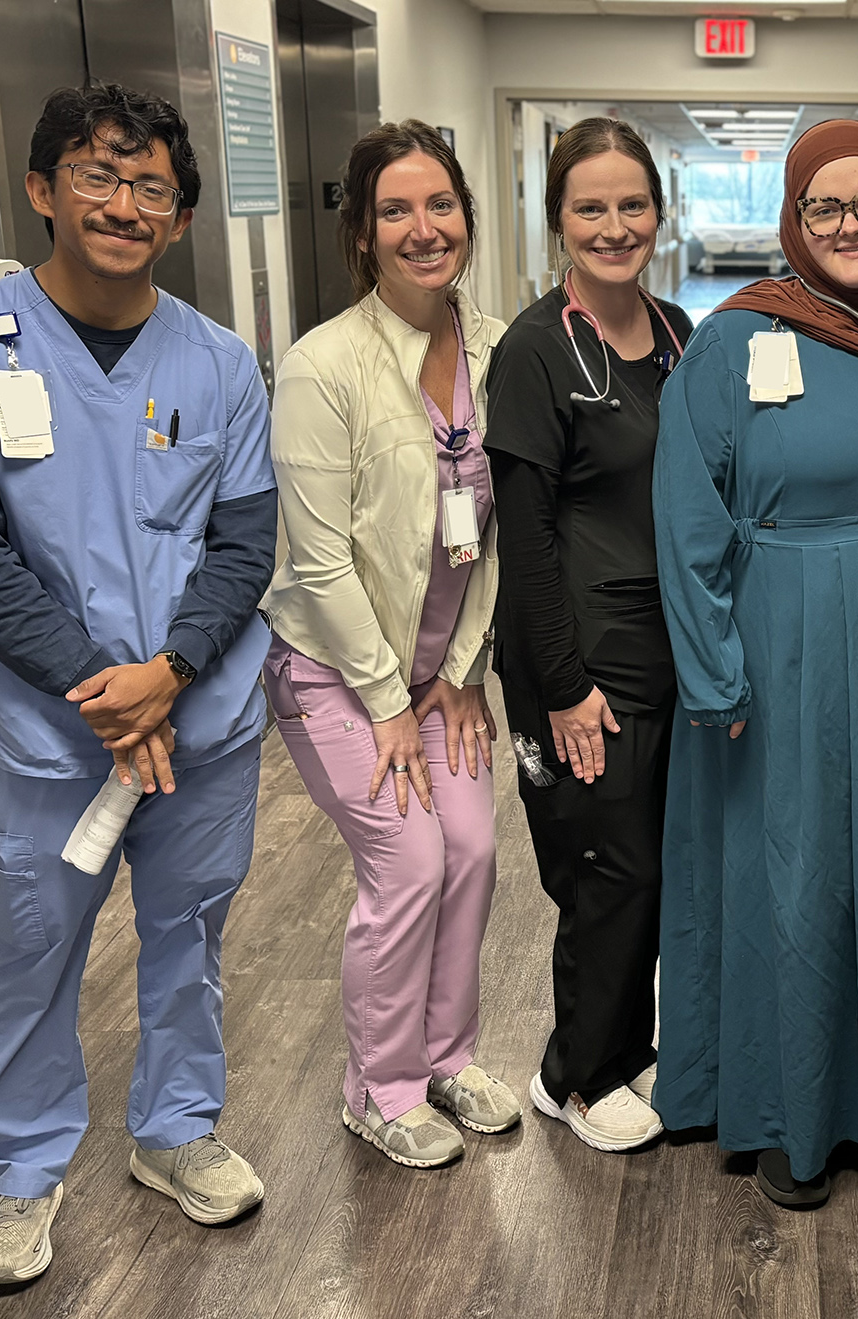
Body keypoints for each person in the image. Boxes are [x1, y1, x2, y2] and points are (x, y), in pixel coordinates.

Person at [0, 84, 274, 1286]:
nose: (123, 203)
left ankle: (176, 1131)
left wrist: (167, 674)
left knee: (189, 934)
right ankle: (21, 1167)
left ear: (181, 211)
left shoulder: (217, 362)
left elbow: (245, 542)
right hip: (48, 731)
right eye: (96, 177)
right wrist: (93, 683)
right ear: (41, 190)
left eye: (151, 183)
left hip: (197, 717)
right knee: (37, 949)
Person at [654, 119, 858, 1209]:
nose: (851, 225)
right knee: (794, 880)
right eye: (824, 206)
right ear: (794, 218)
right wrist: (712, 674)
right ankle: (793, 1116)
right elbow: (689, 518)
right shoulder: (732, 341)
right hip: (779, 649)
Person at [261, 120, 517, 1169]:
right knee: (410, 859)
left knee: (477, 850)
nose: (425, 228)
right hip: (334, 672)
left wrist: (460, 673)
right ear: (361, 235)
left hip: (437, 673)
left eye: (441, 205)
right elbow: (319, 565)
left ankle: (446, 1056)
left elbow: (506, 529)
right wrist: (385, 700)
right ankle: (379, 1084)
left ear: (467, 214)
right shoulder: (324, 365)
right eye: (396, 211)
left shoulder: (505, 348)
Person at [483, 118, 691, 1154]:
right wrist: (562, 686)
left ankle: (617, 1043)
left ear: (659, 211)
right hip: (580, 658)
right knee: (608, 867)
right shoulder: (534, 350)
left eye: (632, 204)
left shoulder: (680, 332)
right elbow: (524, 540)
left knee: (650, 862)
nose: (615, 226)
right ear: (557, 219)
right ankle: (575, 1071)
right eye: (590, 208)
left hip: (664, 653)